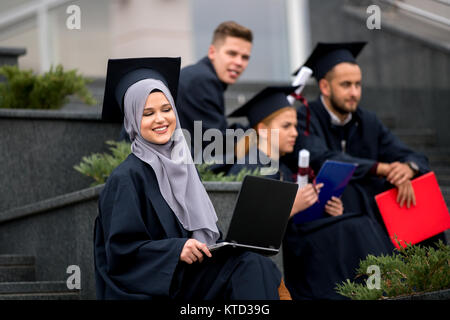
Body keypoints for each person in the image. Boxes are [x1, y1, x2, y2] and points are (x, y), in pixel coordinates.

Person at [94, 57, 287, 300]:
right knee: (248, 268)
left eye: (166, 109)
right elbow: (120, 253)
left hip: (193, 275)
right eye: (147, 113)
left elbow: (206, 234)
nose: (161, 119)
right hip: (160, 283)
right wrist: (176, 250)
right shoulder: (127, 177)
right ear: (132, 120)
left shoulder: (183, 165)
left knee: (255, 264)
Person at [227, 86, 394, 299]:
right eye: (286, 126)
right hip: (290, 254)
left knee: (359, 222)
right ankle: (378, 290)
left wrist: (324, 210)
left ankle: (383, 288)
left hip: (301, 240)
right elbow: (249, 232)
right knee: (356, 228)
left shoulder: (280, 166)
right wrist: (294, 205)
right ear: (263, 129)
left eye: (296, 126)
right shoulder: (251, 166)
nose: (295, 133)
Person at [283, 42, 447, 246]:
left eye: (358, 84)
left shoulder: (367, 121)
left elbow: (412, 155)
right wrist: (380, 168)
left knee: (417, 188)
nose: (354, 92)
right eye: (346, 85)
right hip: (328, 212)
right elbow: (321, 157)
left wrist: (407, 168)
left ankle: (432, 269)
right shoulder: (305, 118)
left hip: (372, 210)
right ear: (324, 86)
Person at [176, 21, 253, 169]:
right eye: (232, 53)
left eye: (245, 57)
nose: (239, 62)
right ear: (212, 52)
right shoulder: (203, 80)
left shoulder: (201, 76)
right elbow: (216, 142)